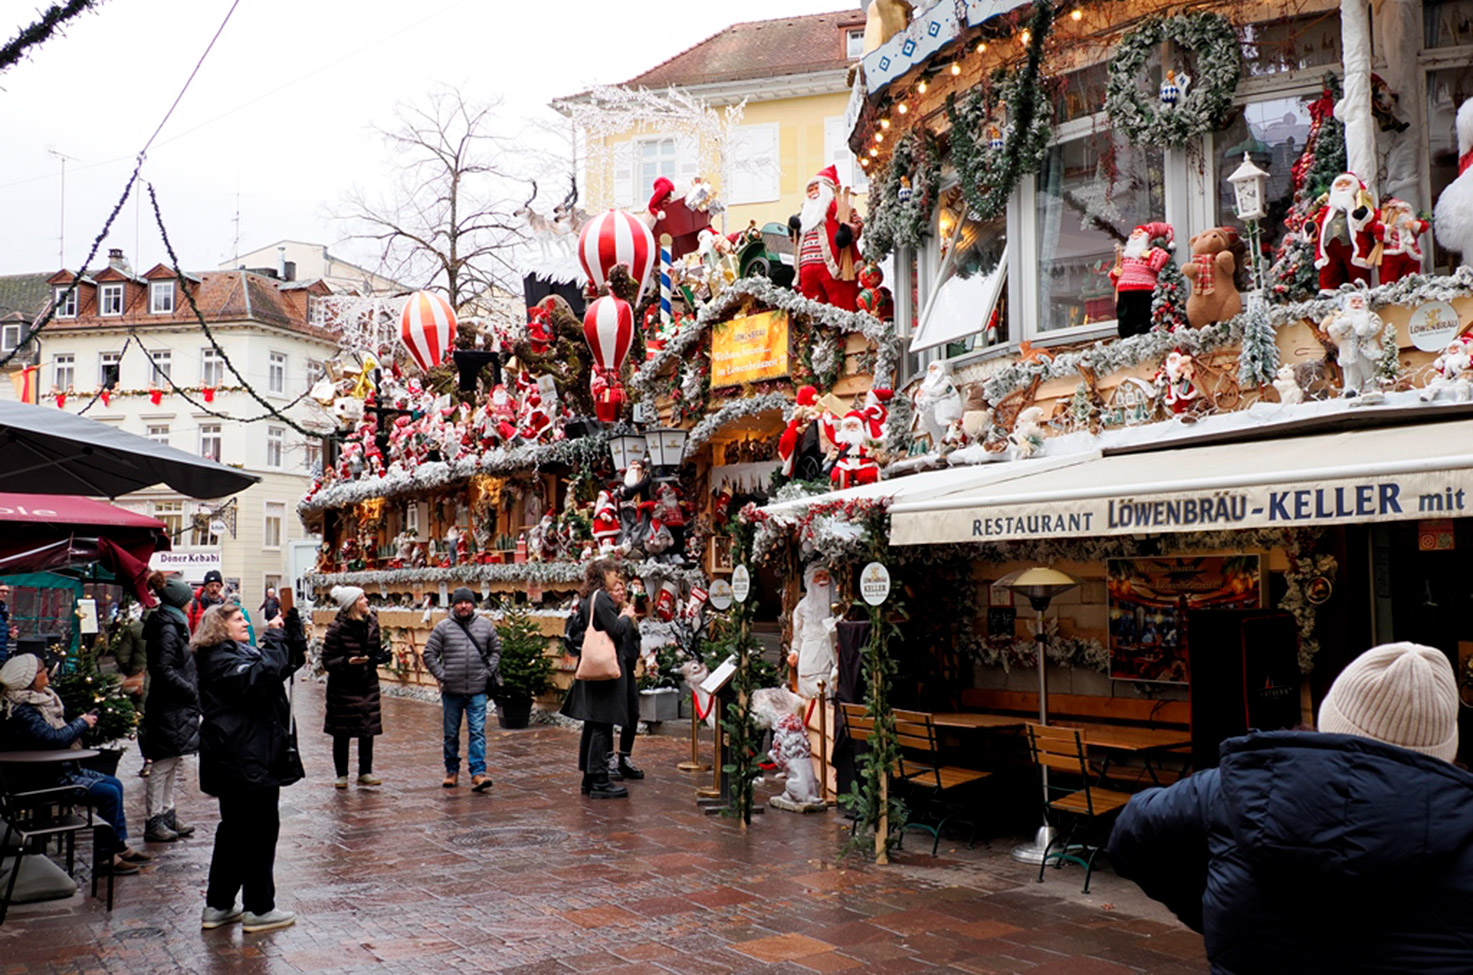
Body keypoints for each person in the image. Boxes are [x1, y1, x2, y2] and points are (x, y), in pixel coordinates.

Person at [1108, 642, 1472, 974]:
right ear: (1445, 748)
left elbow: (1131, 834)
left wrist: (1213, 905)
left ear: (1332, 720)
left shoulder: (1231, 788)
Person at [194, 601, 306, 933]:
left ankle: (219, 905)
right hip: (243, 757)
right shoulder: (216, 658)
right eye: (237, 619)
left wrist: (292, 631)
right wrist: (273, 638)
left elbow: (286, 664)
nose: (245, 623)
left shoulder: (239, 653)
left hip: (249, 755)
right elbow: (261, 677)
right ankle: (258, 908)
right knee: (257, 832)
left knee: (235, 833)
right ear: (219, 626)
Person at [0, 653, 152, 876]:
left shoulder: (37, 702)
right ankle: (104, 857)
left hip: (55, 770)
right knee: (108, 793)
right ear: (29, 679)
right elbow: (53, 738)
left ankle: (117, 846)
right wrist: (81, 723)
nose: (48, 674)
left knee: (115, 784)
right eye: (43, 671)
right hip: (42, 778)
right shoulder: (22, 710)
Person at [559, 559, 636, 799]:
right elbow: (615, 629)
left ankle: (589, 779)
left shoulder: (588, 598)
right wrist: (625, 615)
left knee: (593, 724)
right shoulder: (601, 598)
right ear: (604, 574)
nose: (617, 577)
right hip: (604, 673)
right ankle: (600, 780)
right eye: (614, 573)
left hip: (593, 670)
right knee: (603, 723)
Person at [139, 573, 200, 842]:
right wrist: (189, 690)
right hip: (169, 704)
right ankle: (154, 820)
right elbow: (162, 668)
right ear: (179, 602)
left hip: (174, 703)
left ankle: (168, 812)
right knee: (163, 763)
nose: (192, 605)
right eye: (189, 600)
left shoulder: (173, 624)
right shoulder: (168, 627)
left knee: (172, 760)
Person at [422, 588, 499, 792]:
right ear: (453, 605)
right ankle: (451, 770)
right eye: (459, 602)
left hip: (477, 690)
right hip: (452, 691)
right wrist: (443, 675)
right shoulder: (443, 628)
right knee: (451, 733)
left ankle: (478, 772)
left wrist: (487, 672)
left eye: (467, 602)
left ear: (473, 604)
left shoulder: (485, 626)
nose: (463, 606)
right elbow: (429, 653)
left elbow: (495, 651)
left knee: (477, 731)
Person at [321, 585, 384, 789]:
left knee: (368, 728)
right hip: (343, 688)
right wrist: (346, 662)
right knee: (342, 731)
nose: (367, 601)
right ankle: (342, 774)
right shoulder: (336, 629)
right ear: (352, 604)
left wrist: (378, 658)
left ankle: (365, 771)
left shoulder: (372, 624)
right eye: (362, 598)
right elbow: (327, 661)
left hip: (367, 684)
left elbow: (373, 652)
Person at [605, 578, 644, 784]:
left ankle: (625, 756)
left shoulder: (630, 612)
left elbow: (635, 637)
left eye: (622, 589)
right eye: (616, 589)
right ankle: (609, 758)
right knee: (611, 714)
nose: (621, 593)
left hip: (628, 669)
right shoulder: (610, 613)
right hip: (612, 669)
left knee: (632, 712)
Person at [111, 603, 150, 778]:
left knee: (143, 720)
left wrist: (132, 671)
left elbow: (121, 656)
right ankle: (164, 756)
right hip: (166, 682)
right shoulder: (172, 628)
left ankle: (148, 759)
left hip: (141, 681)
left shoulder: (134, 629)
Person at [0, 583, 17, 664]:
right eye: (2, 591)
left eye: (7, 592)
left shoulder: (3, 610)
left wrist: (8, 633)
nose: (5, 594)